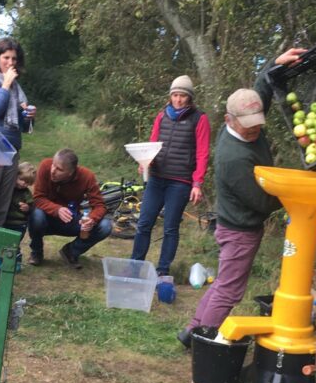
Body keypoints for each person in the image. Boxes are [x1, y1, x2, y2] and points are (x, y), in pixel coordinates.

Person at [178, 48, 307, 348]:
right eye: (249, 128)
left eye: (258, 124)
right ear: (229, 120)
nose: (256, 131)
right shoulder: (233, 158)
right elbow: (262, 203)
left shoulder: (245, 120)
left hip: (237, 226)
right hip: (239, 230)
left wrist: (274, 62)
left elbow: (259, 90)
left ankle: (193, 329)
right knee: (230, 290)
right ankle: (204, 339)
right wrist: (293, 191)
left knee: (224, 282)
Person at [130, 74, 210, 278]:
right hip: (156, 178)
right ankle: (135, 266)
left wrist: (197, 183)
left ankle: (163, 270)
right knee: (144, 223)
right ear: (170, 96)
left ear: (189, 98)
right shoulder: (161, 116)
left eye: (183, 96)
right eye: (175, 95)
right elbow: (152, 144)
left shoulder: (199, 119)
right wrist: (144, 162)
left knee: (170, 228)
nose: (178, 99)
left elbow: (202, 153)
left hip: (180, 182)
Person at [0, 38, 38, 261]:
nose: (10, 62)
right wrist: (5, 84)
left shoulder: (17, 87)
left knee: (2, 204)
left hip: (12, 146)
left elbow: (22, 126)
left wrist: (28, 117)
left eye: (14, 58)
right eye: (6, 57)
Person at [28, 149, 111, 269]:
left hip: (71, 220)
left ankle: (71, 251)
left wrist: (91, 219)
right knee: (36, 215)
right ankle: (36, 252)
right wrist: (57, 209)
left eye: (59, 169)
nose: (53, 171)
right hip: (46, 219)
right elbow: (38, 198)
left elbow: (99, 206)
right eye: (53, 165)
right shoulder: (45, 166)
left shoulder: (87, 176)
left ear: (71, 172)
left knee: (105, 226)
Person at [0, 161, 36, 269]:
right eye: (21, 180)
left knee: (14, 244)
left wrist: (27, 208)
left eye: (27, 183)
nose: (23, 184)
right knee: (2, 242)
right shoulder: (8, 188)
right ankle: (0, 262)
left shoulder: (26, 193)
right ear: (15, 175)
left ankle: (17, 263)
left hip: (19, 224)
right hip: (6, 222)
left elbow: (32, 206)